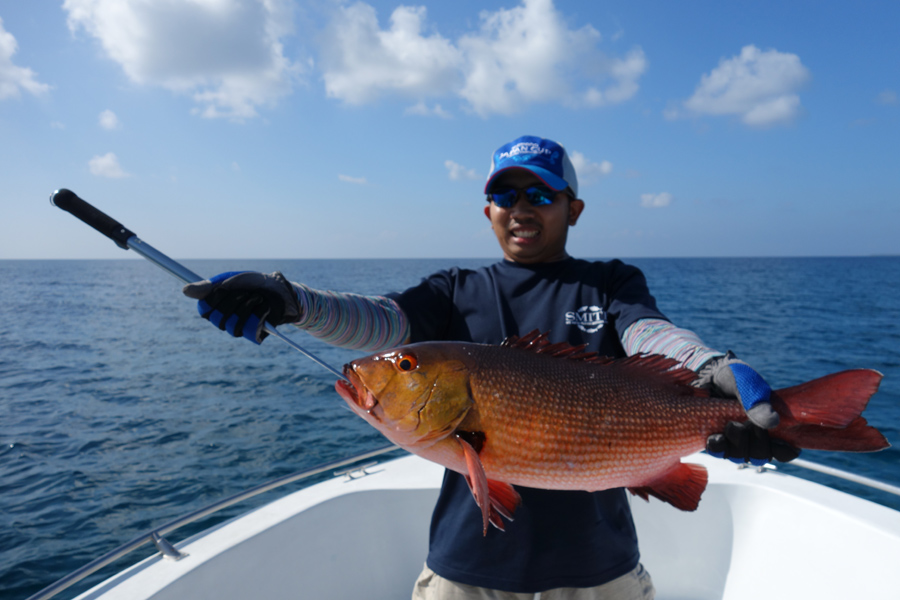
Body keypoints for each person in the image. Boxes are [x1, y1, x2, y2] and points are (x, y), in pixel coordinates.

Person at [183, 135, 798, 599]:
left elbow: (649, 335)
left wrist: (711, 366)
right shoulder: (455, 291)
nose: (519, 207)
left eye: (539, 193)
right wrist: (293, 303)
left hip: (599, 570)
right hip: (466, 573)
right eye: (504, 194)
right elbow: (380, 323)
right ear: (487, 211)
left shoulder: (609, 283)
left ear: (572, 208)